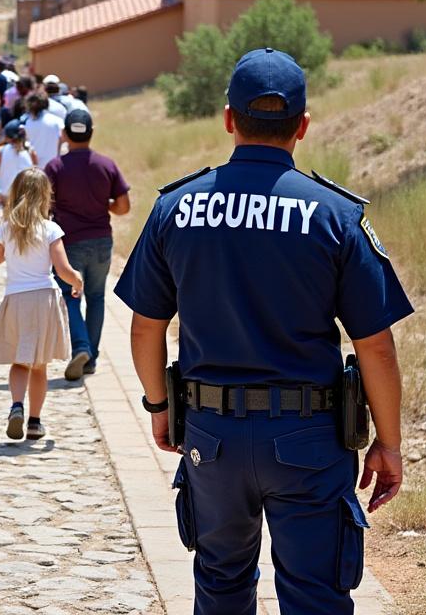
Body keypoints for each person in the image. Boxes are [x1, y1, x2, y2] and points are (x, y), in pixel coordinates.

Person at [114, 48, 410, 615]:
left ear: (228, 118)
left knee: (221, 588)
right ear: (302, 125)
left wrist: (159, 406)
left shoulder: (176, 209)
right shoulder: (335, 215)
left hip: (211, 436)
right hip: (309, 440)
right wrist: (389, 443)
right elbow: (374, 344)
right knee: (315, 597)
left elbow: (146, 326)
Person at [0, 169, 81, 441]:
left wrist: (2, 239)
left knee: (19, 362)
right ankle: (35, 422)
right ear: (44, 196)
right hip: (43, 299)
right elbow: (63, 269)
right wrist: (77, 281)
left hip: (16, 299)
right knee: (39, 365)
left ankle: (16, 406)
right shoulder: (50, 229)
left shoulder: (5, 228)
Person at [44, 109, 130, 380]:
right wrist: (102, 204)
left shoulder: (55, 167)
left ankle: (80, 347)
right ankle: (90, 358)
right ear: (91, 133)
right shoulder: (106, 165)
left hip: (68, 244)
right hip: (102, 242)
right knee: (96, 298)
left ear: (66, 135)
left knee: (70, 297)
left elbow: (45, 204)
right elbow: (124, 206)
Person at [0, 117, 36, 204]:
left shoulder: (2, 150)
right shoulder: (30, 151)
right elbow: (35, 169)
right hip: (23, 195)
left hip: (5, 195)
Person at [22, 92, 65, 159]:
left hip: (35, 167)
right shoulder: (58, 121)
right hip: (53, 164)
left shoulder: (28, 122)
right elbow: (63, 141)